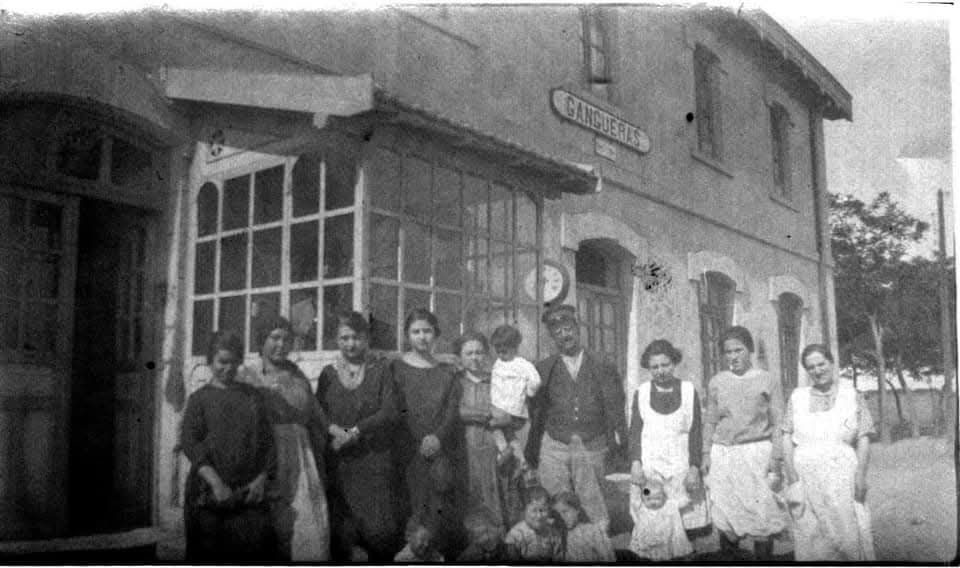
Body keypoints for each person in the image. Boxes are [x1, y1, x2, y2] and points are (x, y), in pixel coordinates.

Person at [526, 303, 627, 530]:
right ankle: (561, 547)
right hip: (555, 444)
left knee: (594, 501)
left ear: (577, 328)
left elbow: (615, 405)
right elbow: (535, 408)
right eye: (558, 331)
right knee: (557, 499)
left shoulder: (602, 363)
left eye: (568, 327)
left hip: (592, 443)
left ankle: (598, 548)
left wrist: (618, 442)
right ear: (552, 336)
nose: (565, 334)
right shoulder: (544, 367)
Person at [238, 316, 330, 561]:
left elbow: (317, 416)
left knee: (302, 522)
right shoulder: (247, 375)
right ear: (262, 341)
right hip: (263, 456)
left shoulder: (298, 375)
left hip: (299, 457)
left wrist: (341, 434)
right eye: (274, 338)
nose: (281, 344)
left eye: (286, 339)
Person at [181, 330, 275, 561]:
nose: (228, 368)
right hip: (209, 498)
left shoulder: (252, 397)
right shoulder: (199, 399)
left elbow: (268, 442)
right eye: (222, 362)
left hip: (249, 497)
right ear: (210, 360)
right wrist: (215, 483)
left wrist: (262, 479)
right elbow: (190, 443)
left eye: (234, 362)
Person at [316, 311, 401, 561]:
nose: (351, 344)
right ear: (336, 339)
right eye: (345, 338)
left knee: (379, 535)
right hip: (341, 464)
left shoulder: (381, 370)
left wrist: (355, 432)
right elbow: (319, 413)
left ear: (366, 338)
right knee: (343, 535)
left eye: (356, 337)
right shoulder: (328, 374)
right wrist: (335, 432)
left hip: (374, 463)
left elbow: (390, 410)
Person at [782, 344, 876, 561]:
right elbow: (786, 435)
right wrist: (792, 476)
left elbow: (864, 436)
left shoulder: (851, 395)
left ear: (832, 363)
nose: (817, 370)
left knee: (848, 533)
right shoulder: (797, 397)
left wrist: (861, 476)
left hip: (842, 474)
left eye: (821, 364)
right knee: (811, 535)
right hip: (806, 477)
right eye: (811, 367)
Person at [702, 325, 787, 559]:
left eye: (738, 350)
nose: (733, 357)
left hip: (756, 454)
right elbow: (710, 422)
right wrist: (705, 454)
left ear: (749, 350)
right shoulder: (717, 381)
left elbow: (779, 422)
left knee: (762, 515)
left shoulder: (767, 380)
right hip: (724, 455)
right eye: (728, 352)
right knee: (726, 516)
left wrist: (776, 458)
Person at [389, 308, 464, 559]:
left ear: (436, 335)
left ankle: (433, 553)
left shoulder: (447, 372)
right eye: (416, 332)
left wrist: (438, 437)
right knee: (409, 501)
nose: (422, 337)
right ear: (407, 335)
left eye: (427, 331)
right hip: (407, 446)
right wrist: (417, 438)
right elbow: (394, 408)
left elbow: (451, 410)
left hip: (437, 447)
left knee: (437, 499)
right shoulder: (395, 368)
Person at [628, 339, 707, 552]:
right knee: (652, 527)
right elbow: (634, 432)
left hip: (680, 468)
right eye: (654, 367)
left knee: (684, 530)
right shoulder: (642, 392)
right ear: (648, 368)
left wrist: (694, 467)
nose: (660, 371)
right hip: (651, 470)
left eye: (665, 365)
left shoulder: (689, 391)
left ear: (674, 364)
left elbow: (696, 433)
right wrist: (635, 463)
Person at [456, 331, 523, 528]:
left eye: (479, 352)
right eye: (469, 353)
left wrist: (507, 418)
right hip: (464, 449)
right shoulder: (455, 382)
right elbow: (454, 411)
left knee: (497, 499)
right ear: (460, 356)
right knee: (469, 498)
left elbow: (515, 415)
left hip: (495, 450)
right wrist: (487, 415)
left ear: (486, 354)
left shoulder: (497, 380)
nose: (475, 358)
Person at [489, 324, 542, 474]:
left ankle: (504, 450)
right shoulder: (498, 363)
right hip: (500, 407)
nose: (501, 354)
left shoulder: (523, 364)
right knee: (508, 434)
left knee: (492, 425)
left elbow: (536, 381)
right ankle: (521, 461)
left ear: (515, 347)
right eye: (498, 351)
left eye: (505, 351)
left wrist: (529, 392)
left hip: (514, 410)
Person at [628, 475, 693, 561]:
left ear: (664, 497)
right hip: (648, 540)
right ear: (643, 498)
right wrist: (635, 485)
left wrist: (688, 491)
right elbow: (634, 498)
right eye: (648, 499)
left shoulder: (669, 505)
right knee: (647, 556)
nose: (653, 502)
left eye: (657, 498)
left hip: (667, 540)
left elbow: (683, 501)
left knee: (669, 556)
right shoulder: (641, 507)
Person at [552, 491, 616, 562]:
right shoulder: (562, 538)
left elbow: (608, 557)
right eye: (558, 514)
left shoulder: (592, 531)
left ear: (577, 509)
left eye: (565, 511)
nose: (562, 517)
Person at [504, 486, 563, 561]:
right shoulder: (515, 535)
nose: (539, 516)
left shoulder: (553, 533)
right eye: (534, 510)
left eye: (542, 510)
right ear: (524, 510)